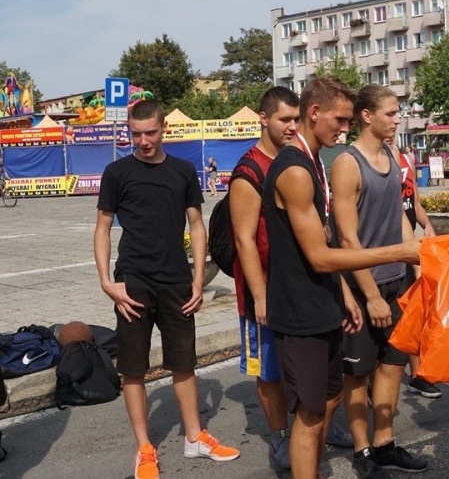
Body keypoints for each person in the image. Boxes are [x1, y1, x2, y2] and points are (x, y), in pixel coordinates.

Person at [262, 76, 420, 479]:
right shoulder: (296, 170)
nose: (345, 128)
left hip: (324, 302)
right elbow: (319, 254)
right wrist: (399, 254)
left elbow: (325, 238)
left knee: (328, 401)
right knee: (312, 414)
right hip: (300, 312)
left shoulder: (314, 161)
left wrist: (345, 296)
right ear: (314, 114)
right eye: (341, 119)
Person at [94, 100, 239, 479]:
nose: (143, 141)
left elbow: (197, 225)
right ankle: (144, 448)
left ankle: (194, 437)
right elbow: (102, 228)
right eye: (136, 134)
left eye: (150, 133)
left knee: (184, 362)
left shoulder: (183, 171)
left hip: (176, 280)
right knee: (133, 370)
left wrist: (196, 278)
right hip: (133, 282)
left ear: (163, 130)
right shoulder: (116, 172)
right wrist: (107, 282)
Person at [331, 84, 430, 478]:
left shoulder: (393, 155)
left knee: (391, 366)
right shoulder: (347, 164)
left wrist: (419, 271)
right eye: (390, 113)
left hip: (397, 280)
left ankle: (385, 443)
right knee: (357, 374)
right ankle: (362, 450)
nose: (397, 120)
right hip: (362, 286)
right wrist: (370, 296)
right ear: (366, 116)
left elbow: (401, 220)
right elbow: (347, 238)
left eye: (397, 112)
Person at [229, 86, 298, 470]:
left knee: (304, 361)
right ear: (263, 119)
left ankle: (311, 425)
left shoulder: (294, 160)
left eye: (295, 119)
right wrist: (259, 296)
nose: (291, 126)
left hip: (296, 285)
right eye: (284, 119)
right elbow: (243, 239)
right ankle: (280, 436)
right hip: (265, 289)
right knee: (269, 369)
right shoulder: (249, 170)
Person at [388, 137, 440, 399]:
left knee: (414, 310)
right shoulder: (367, 161)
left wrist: (427, 225)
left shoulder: (405, 159)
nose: (392, 129)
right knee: (391, 314)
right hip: (386, 246)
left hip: (409, 242)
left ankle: (418, 374)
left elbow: (413, 202)